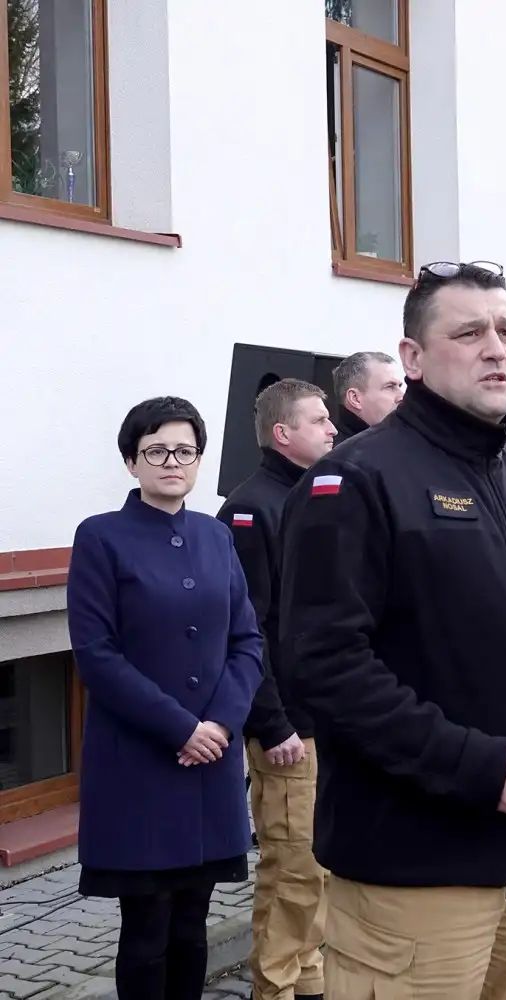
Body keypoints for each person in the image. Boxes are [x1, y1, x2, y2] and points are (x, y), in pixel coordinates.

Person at [278, 260, 506, 1000]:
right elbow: (323, 665)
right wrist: (469, 765)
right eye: (468, 333)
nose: (495, 348)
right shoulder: (357, 480)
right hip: (411, 875)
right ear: (412, 359)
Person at [66, 397, 263, 1000]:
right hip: (142, 762)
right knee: (147, 929)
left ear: (199, 460)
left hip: (212, 762)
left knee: (192, 926)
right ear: (132, 461)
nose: (171, 461)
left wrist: (223, 726)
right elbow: (96, 654)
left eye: (185, 450)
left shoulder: (215, 535)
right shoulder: (101, 537)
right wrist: (183, 729)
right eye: (156, 450)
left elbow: (247, 640)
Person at [215, 379, 336, 1000]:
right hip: (289, 727)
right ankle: (277, 987)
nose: (333, 428)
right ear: (283, 434)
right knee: (291, 870)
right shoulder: (251, 508)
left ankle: (308, 980)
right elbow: (249, 628)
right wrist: (273, 721)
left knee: (317, 870)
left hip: (326, 720)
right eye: (319, 420)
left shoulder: (317, 496)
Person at [330, 350, 405, 444]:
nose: (402, 397)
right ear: (355, 398)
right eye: (389, 387)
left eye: (399, 386)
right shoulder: (339, 455)